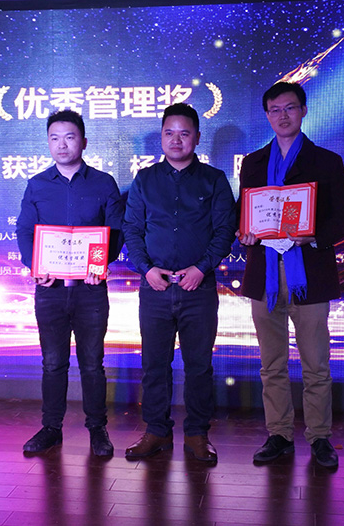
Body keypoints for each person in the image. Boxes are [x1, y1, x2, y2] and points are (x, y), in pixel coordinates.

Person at [237, 82, 344, 468]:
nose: (283, 116)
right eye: (275, 109)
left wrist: (314, 236)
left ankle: (320, 437)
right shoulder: (253, 163)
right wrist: (244, 231)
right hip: (265, 275)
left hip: (309, 272)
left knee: (316, 364)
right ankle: (279, 434)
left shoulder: (326, 161)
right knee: (271, 364)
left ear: (304, 110)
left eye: (290, 107)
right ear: (267, 115)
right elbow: (245, 213)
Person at [123, 103, 236, 463]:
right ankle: (156, 431)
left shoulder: (214, 180)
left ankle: (198, 434)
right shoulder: (144, 180)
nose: (176, 139)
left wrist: (201, 268)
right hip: (154, 288)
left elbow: (224, 231)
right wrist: (146, 269)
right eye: (169, 132)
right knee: (154, 365)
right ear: (161, 137)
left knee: (198, 366)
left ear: (197, 138)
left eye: (184, 133)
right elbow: (131, 230)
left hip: (198, 289)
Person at [16, 109, 124, 457]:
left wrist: (99, 264)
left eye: (69, 137)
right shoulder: (37, 185)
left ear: (84, 141)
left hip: (90, 290)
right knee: (52, 363)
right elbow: (24, 230)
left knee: (92, 363)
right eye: (54, 138)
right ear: (48, 143)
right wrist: (35, 266)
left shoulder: (103, 183)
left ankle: (97, 429)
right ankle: (51, 428)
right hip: (49, 290)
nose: (62, 145)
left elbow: (116, 230)